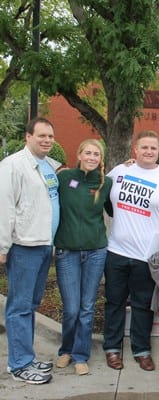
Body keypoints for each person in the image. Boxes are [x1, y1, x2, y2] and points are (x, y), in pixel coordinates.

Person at [103, 130, 159, 371]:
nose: (149, 151)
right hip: (116, 252)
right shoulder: (120, 171)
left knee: (142, 305)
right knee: (114, 302)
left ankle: (141, 350)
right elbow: (99, 191)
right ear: (135, 150)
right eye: (144, 147)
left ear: (158, 151)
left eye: (153, 148)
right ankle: (112, 348)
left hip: (148, 257)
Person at [0, 117, 60, 384]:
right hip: (24, 246)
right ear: (28, 136)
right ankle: (19, 365)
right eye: (41, 136)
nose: (47, 140)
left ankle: (26, 355)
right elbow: (4, 208)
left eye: (50, 136)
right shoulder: (12, 166)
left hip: (43, 244)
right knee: (19, 306)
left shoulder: (47, 166)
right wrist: (2, 247)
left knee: (31, 305)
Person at [54, 139, 113, 376]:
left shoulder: (105, 183)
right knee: (71, 308)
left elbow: (115, 209)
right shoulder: (64, 178)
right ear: (79, 154)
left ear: (101, 158)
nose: (91, 157)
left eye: (96, 154)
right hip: (67, 251)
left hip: (96, 251)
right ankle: (65, 350)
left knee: (87, 307)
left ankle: (80, 355)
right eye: (87, 152)